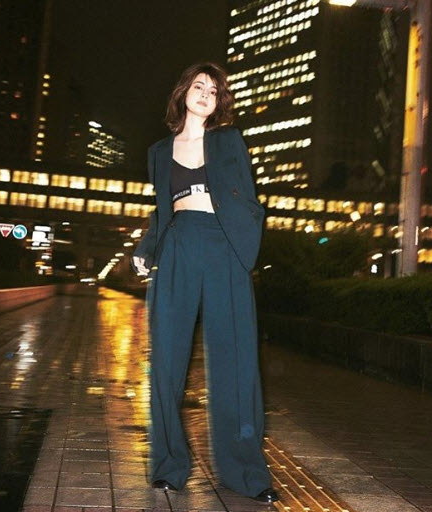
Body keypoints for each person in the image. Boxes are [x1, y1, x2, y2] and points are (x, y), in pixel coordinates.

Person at [132, 62, 278, 503]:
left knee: (236, 361)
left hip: (223, 246)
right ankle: (168, 466)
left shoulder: (228, 140)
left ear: (218, 102)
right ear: (183, 92)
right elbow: (162, 208)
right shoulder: (159, 151)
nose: (205, 95)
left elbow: (248, 197)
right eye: (199, 86)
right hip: (179, 245)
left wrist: (243, 249)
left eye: (214, 91)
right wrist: (147, 247)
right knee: (166, 361)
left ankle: (246, 474)